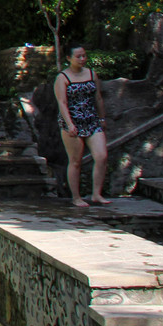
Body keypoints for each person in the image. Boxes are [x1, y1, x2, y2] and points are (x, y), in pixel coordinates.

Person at [54, 44, 111, 207]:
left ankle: (96, 194)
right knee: (76, 161)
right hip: (73, 122)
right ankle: (76, 197)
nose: (82, 59)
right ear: (69, 58)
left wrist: (102, 118)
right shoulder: (62, 78)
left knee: (101, 156)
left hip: (92, 120)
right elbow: (62, 102)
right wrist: (70, 124)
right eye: (78, 56)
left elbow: (98, 98)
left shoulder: (92, 74)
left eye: (84, 56)